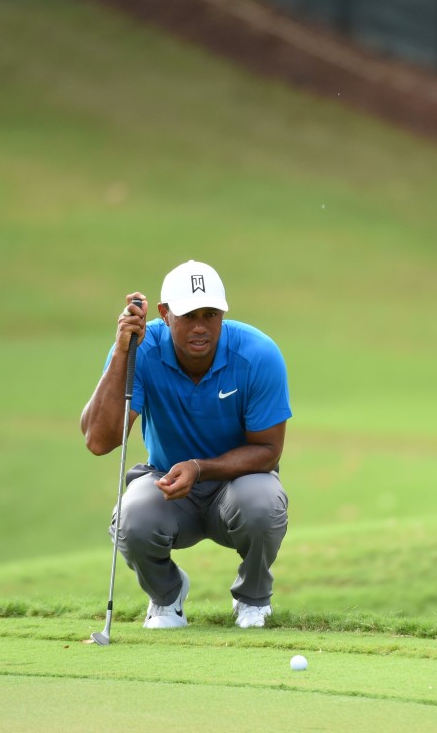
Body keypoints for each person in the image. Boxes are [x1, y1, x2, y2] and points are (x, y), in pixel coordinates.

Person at [80, 260, 291, 629]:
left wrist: (199, 467)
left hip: (237, 485)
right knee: (133, 518)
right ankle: (166, 596)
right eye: (188, 315)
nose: (200, 327)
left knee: (263, 503)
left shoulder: (258, 354)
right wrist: (120, 352)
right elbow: (99, 441)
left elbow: (269, 451)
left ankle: (253, 599)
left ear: (223, 313)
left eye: (210, 314)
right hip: (166, 481)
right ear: (164, 313)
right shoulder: (140, 351)